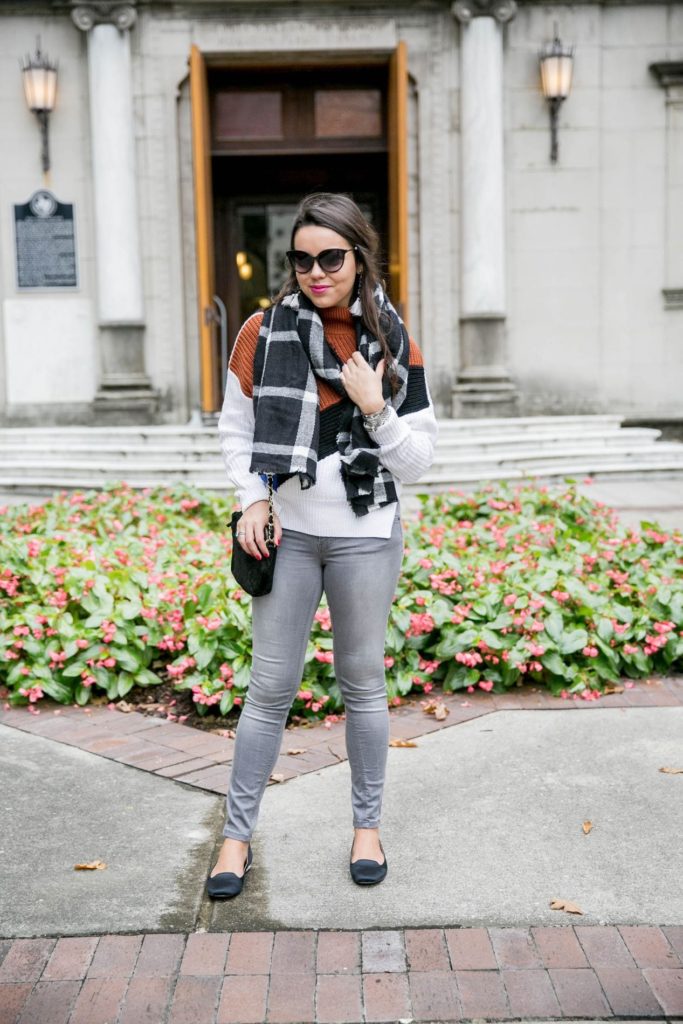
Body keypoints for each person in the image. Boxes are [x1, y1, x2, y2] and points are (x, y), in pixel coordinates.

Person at [209, 192, 437, 899]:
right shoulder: (260, 331)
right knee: (269, 688)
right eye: (302, 260)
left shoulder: (393, 341)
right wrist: (252, 495)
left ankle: (367, 828)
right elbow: (236, 431)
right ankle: (236, 837)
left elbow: (418, 462)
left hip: (367, 537)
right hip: (290, 534)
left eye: (331, 258)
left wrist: (375, 407)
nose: (316, 272)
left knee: (362, 684)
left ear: (358, 258)